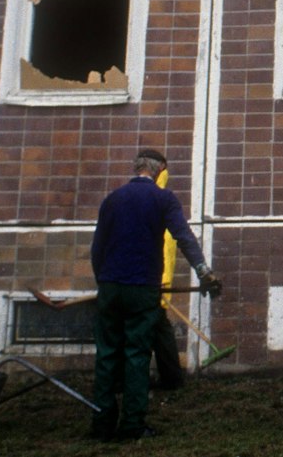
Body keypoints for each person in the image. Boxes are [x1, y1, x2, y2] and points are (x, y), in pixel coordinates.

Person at [90, 148, 219, 440]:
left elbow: (97, 247)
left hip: (110, 286)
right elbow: (183, 236)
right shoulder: (163, 198)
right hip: (142, 288)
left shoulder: (112, 199)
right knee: (137, 355)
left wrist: (104, 281)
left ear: (137, 168)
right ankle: (132, 425)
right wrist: (203, 270)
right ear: (160, 168)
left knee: (107, 354)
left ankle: (101, 424)